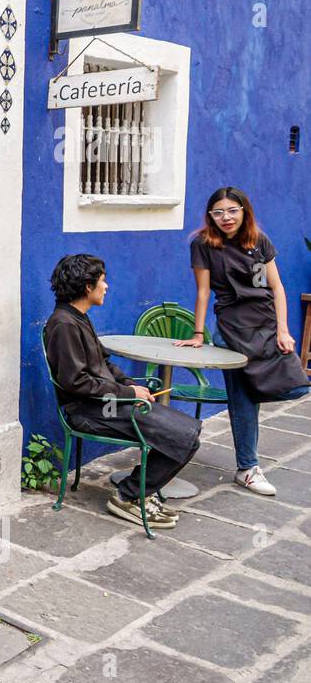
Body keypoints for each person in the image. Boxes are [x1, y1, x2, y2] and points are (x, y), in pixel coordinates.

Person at [43, 254, 201, 528]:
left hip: (106, 403)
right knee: (181, 437)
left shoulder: (78, 317)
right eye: (102, 281)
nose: (107, 286)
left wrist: (130, 386)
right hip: (87, 410)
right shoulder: (64, 324)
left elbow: (104, 363)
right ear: (86, 287)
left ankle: (138, 492)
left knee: (186, 434)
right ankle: (128, 496)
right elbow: (75, 382)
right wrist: (127, 395)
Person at [178, 187, 311, 496]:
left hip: (265, 324)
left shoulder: (258, 241)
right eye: (218, 212)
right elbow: (203, 292)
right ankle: (247, 468)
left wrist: (283, 330)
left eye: (232, 210)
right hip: (232, 327)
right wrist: (199, 334)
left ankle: (247, 419)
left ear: (244, 210)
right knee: (243, 399)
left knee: (296, 386)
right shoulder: (203, 244)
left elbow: (277, 288)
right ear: (210, 216)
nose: (226, 217)